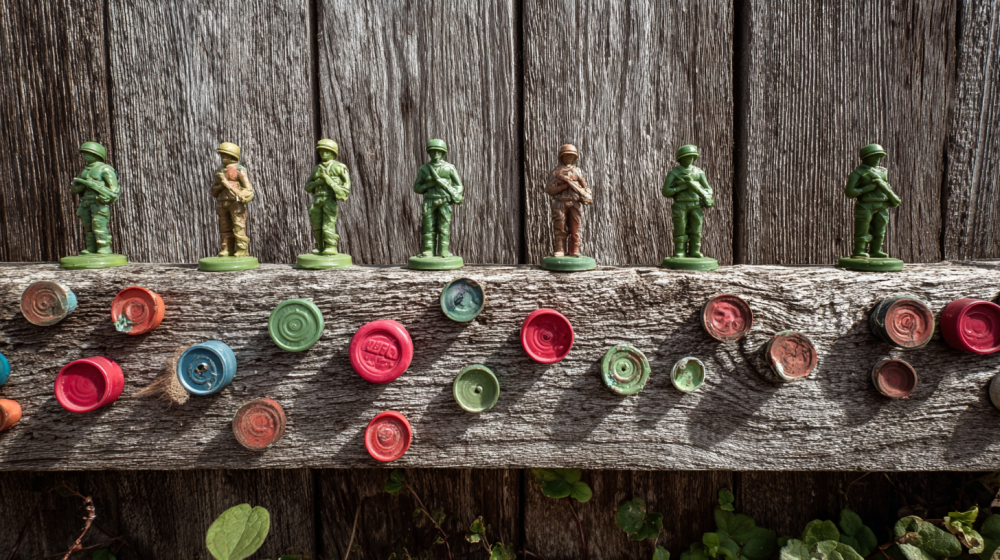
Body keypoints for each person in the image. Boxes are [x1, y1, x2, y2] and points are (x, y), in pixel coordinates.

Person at [413, 139, 463, 258]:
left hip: (444, 201)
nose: (436, 154)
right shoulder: (424, 168)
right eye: (433, 151)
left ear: (443, 153)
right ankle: (427, 251)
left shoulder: (449, 168)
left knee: (444, 227)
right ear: (429, 153)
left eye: (439, 151)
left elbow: (458, 185)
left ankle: (443, 251)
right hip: (429, 201)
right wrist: (428, 184)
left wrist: (454, 193)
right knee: (428, 227)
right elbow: (417, 187)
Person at [662, 144, 714, 258]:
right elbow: (665, 191)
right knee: (680, 228)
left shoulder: (698, 172)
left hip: (696, 204)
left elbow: (708, 189)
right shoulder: (674, 173)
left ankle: (694, 250)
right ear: (680, 159)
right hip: (680, 204)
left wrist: (705, 194)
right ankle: (680, 251)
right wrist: (679, 188)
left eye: (691, 157)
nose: (689, 159)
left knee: (696, 228)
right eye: (686, 157)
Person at [545, 144, 592, 257]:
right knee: (559, 226)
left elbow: (585, 187)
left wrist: (585, 193)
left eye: (571, 156)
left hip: (575, 202)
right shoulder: (556, 172)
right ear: (561, 157)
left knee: (575, 227)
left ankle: (574, 249)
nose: (569, 158)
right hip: (560, 203)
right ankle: (559, 249)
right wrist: (563, 186)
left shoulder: (577, 171)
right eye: (567, 156)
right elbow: (549, 190)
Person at [305, 139, 350, 255]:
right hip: (317, 200)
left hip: (329, 199)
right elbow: (307, 187)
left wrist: (328, 180)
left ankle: (330, 246)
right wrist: (317, 183)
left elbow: (345, 188)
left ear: (333, 153)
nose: (324, 154)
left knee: (328, 224)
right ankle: (320, 246)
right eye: (321, 151)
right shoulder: (317, 169)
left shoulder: (339, 167)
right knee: (316, 224)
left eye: (327, 151)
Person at [212, 142, 254, 257]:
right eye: (222, 155)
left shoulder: (239, 170)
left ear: (232, 156)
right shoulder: (220, 171)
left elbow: (248, 189)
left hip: (235, 203)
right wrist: (221, 185)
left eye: (225, 155)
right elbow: (214, 191)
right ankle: (226, 248)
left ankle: (242, 249)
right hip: (222, 202)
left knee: (238, 226)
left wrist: (240, 194)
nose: (223, 158)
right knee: (224, 227)